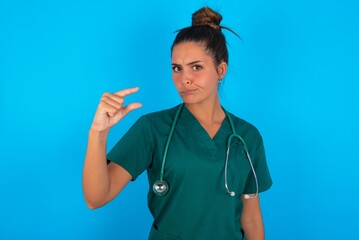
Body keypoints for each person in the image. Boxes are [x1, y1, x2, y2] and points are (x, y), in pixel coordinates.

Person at [82, 6, 272, 240]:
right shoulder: (152, 128)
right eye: (176, 68)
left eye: (196, 67)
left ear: (220, 69)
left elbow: (251, 218)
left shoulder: (247, 137)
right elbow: (95, 198)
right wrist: (98, 133)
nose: (185, 79)